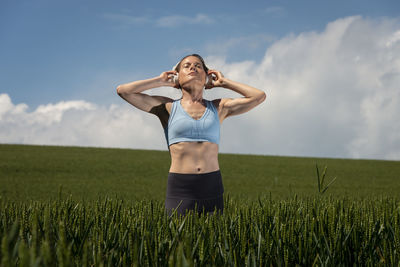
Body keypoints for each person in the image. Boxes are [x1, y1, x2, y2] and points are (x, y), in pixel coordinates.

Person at [116, 54, 266, 215]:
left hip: (212, 185)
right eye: (186, 66)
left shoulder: (219, 107)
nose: (193, 68)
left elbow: (259, 96)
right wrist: (159, 81)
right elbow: (124, 91)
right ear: (177, 77)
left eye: (198, 66)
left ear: (206, 77)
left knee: (214, 239)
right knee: (177, 239)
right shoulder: (167, 107)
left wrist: (224, 82)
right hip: (180, 187)